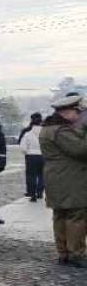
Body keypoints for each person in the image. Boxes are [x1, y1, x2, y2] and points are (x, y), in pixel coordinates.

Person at [39, 93, 87, 266]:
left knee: (60, 215)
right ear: (67, 112)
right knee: (76, 215)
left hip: (57, 177)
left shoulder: (50, 128)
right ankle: (76, 253)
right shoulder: (61, 130)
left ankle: (64, 253)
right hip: (70, 178)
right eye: (78, 112)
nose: (80, 116)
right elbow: (81, 150)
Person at [19, 111, 45, 202]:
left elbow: (22, 146)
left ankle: (32, 194)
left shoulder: (27, 132)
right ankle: (40, 192)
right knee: (42, 175)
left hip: (31, 156)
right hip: (44, 155)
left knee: (31, 175)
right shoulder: (46, 132)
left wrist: (26, 152)